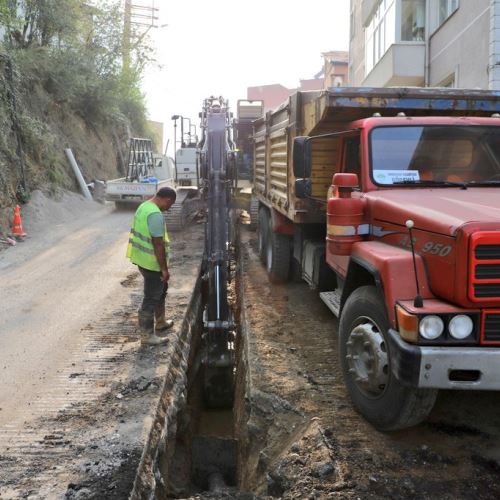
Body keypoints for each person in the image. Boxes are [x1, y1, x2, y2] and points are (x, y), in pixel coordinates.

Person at [126, 187, 177, 345]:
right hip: (151, 263)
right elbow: (158, 244)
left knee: (161, 290)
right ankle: (147, 336)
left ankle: (160, 322)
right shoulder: (154, 214)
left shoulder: (144, 206)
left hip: (142, 259)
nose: (168, 209)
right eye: (170, 205)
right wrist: (164, 269)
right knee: (151, 297)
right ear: (167, 199)